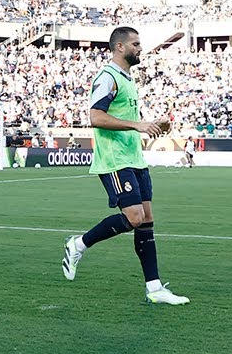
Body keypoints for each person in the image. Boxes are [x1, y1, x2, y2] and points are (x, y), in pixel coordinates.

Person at [61, 26, 189, 305]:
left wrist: (153, 124)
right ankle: (78, 244)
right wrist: (137, 124)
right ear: (120, 47)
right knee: (134, 217)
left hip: (134, 158)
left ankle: (154, 289)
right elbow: (95, 116)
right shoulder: (107, 77)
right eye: (135, 44)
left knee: (147, 221)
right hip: (115, 159)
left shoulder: (127, 78)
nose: (140, 48)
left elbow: (129, 119)